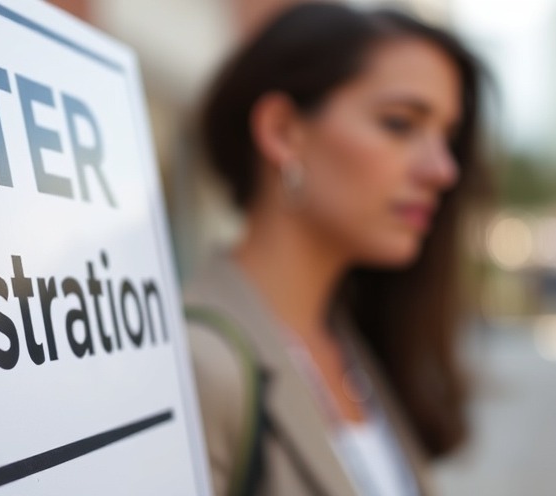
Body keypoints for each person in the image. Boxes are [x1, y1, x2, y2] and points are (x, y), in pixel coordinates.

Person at [184, 3, 488, 496]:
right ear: (283, 131)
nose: (443, 170)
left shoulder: (355, 346)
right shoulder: (199, 364)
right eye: (400, 124)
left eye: (446, 137)